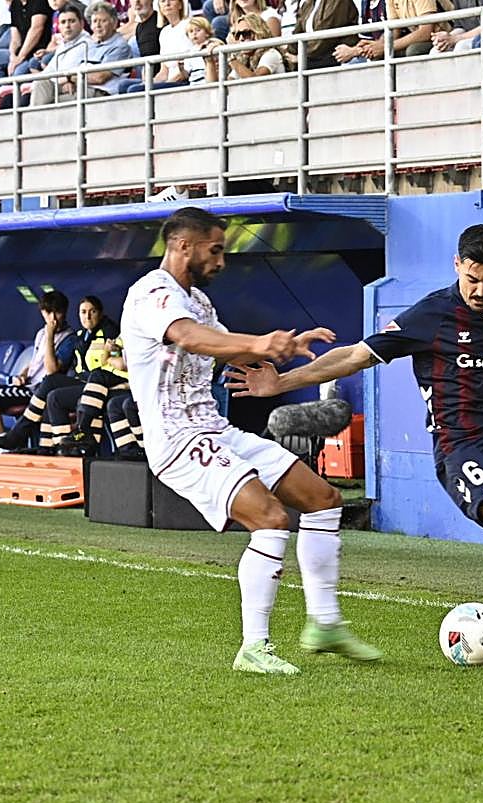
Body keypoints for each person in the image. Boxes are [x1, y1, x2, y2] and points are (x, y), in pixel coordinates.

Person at [226, 224, 483, 669]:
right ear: (457, 265)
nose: (480, 290)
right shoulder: (431, 315)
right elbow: (354, 356)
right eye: (472, 279)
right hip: (462, 449)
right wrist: (281, 382)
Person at [121, 206, 381, 675]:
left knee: (322, 499)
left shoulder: (197, 301)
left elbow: (223, 344)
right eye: (215, 250)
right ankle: (253, 647)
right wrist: (261, 343)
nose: (222, 261)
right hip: (177, 440)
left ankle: (324, 623)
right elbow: (188, 338)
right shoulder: (151, 294)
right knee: (271, 518)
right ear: (183, 245)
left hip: (214, 430)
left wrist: (284, 346)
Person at [0, 293, 117, 451]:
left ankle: (28, 437)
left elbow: (53, 369)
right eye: (83, 312)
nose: (87, 317)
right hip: (84, 381)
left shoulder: (108, 332)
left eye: (92, 312)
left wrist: (50, 334)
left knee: (52, 391)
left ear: (100, 313)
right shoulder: (82, 335)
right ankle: (50, 446)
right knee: (50, 387)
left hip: (99, 385)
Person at [0, 289, 77, 454]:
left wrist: (50, 336)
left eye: (57, 313)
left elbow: (51, 370)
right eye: (48, 313)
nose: (53, 319)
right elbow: (35, 362)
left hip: (39, 391)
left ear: (64, 312)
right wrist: (22, 375)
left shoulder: (69, 338)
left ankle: (4, 447)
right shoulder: (41, 334)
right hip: (26, 384)